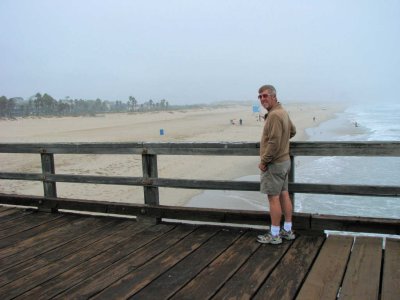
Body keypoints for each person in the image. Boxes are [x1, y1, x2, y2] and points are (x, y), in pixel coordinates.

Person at [256, 85, 296, 244]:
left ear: (274, 96)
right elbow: (292, 131)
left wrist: (264, 161)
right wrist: (283, 141)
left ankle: (274, 234)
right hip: (285, 162)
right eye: (260, 97)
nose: (262, 99)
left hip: (274, 164)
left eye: (265, 96)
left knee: (273, 198)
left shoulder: (274, 115)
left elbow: (273, 142)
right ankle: (287, 230)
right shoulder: (283, 112)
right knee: (284, 194)